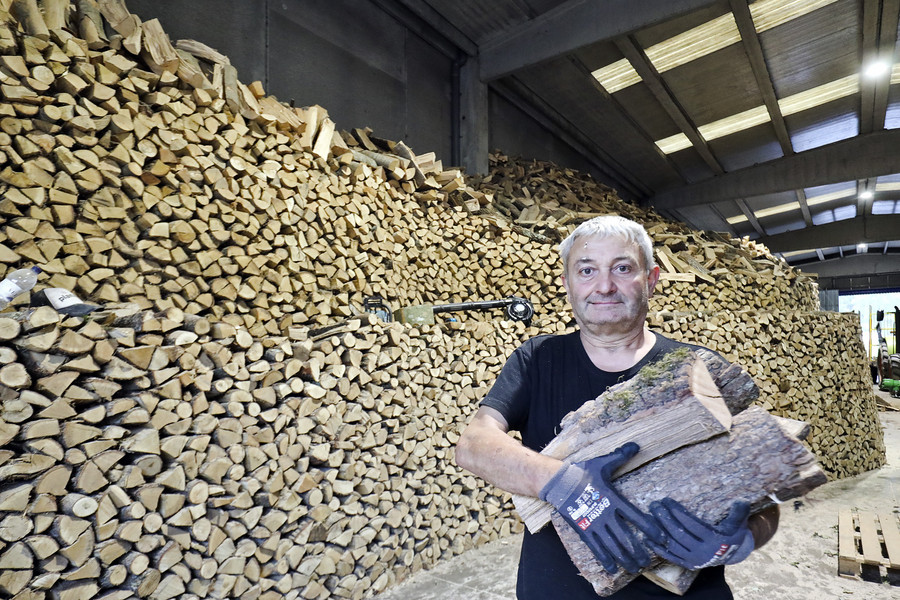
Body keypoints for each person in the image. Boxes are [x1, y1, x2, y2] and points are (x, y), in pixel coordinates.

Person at [455, 215, 780, 599]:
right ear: (568, 284)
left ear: (652, 279)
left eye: (622, 268)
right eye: (587, 270)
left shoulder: (699, 371)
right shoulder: (537, 359)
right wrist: (563, 484)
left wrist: (742, 539)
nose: (604, 286)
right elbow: (473, 444)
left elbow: (766, 497)